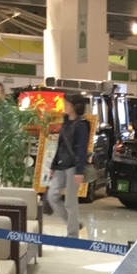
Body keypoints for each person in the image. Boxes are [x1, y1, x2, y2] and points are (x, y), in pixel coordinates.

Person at [47, 93, 91, 238]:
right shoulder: (66, 122)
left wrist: (79, 170)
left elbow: (82, 149)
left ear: (74, 106)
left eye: (66, 103)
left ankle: (72, 235)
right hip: (61, 165)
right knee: (52, 196)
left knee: (70, 202)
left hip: (73, 167)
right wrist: (53, 165)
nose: (64, 106)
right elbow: (60, 145)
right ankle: (74, 224)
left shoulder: (82, 125)